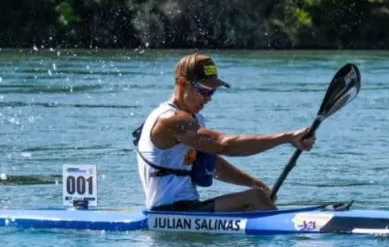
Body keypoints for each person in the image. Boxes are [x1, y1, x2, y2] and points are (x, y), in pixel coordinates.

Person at [135, 53, 315, 213]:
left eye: (212, 91)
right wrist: (286, 138)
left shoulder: (195, 119)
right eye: (204, 91)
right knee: (255, 199)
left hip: (189, 208)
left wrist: (252, 183)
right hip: (168, 211)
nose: (209, 98)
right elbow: (224, 145)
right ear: (182, 83)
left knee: (256, 195)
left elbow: (215, 165)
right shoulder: (171, 120)